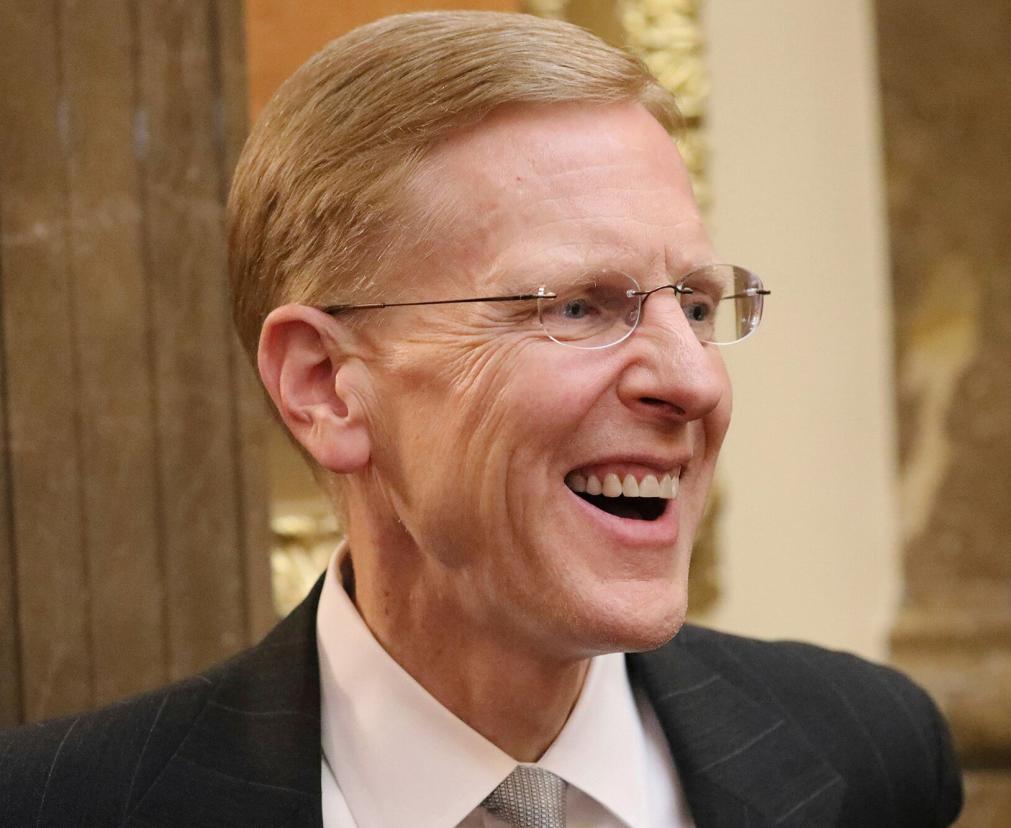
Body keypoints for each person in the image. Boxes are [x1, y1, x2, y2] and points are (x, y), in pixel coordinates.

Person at [0, 11, 961, 827]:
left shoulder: (873, 753)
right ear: (327, 385)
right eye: (579, 305)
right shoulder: (61, 803)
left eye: (699, 307)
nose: (694, 382)